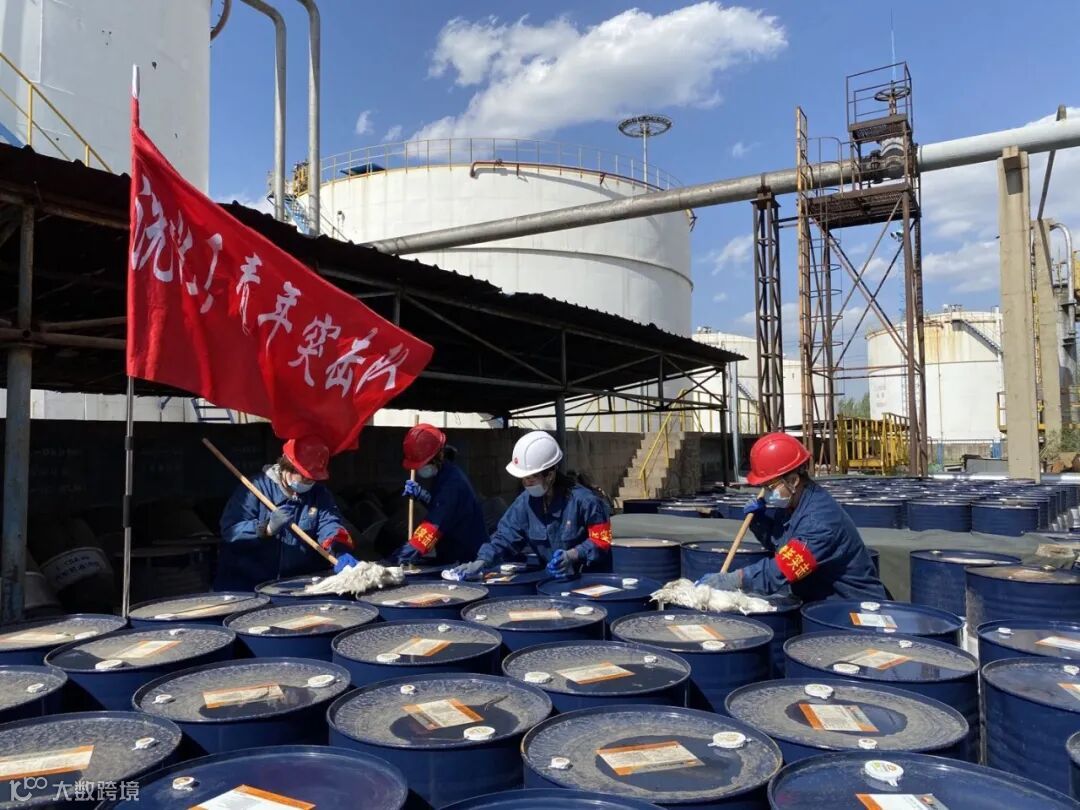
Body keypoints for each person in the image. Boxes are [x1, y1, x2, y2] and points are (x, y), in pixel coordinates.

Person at [697, 432, 886, 602]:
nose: (766, 493)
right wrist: (759, 522)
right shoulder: (793, 503)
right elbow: (780, 544)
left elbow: (783, 569)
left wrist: (736, 579)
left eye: (770, 487)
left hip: (852, 606)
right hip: (818, 599)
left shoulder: (820, 522)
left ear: (793, 481)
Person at [448, 430, 613, 580]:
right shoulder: (525, 503)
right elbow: (505, 537)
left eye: (531, 478)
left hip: (591, 581)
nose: (526, 483)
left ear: (550, 474)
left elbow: (602, 540)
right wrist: (482, 561)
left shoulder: (585, 501)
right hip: (552, 583)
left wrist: (573, 555)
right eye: (524, 478)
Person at [216, 436, 354, 590]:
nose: (309, 482)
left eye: (313, 479)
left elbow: (329, 524)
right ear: (287, 467)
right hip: (248, 584)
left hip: (295, 585)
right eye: (305, 478)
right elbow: (230, 531)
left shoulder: (319, 494)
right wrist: (266, 529)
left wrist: (339, 550)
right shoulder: (253, 488)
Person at [384, 423, 487, 567]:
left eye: (423, 464)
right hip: (452, 548)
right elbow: (441, 506)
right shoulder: (445, 473)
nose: (420, 469)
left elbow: (433, 527)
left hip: (467, 556)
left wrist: (401, 556)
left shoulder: (452, 484)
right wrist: (423, 496)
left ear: (439, 455)